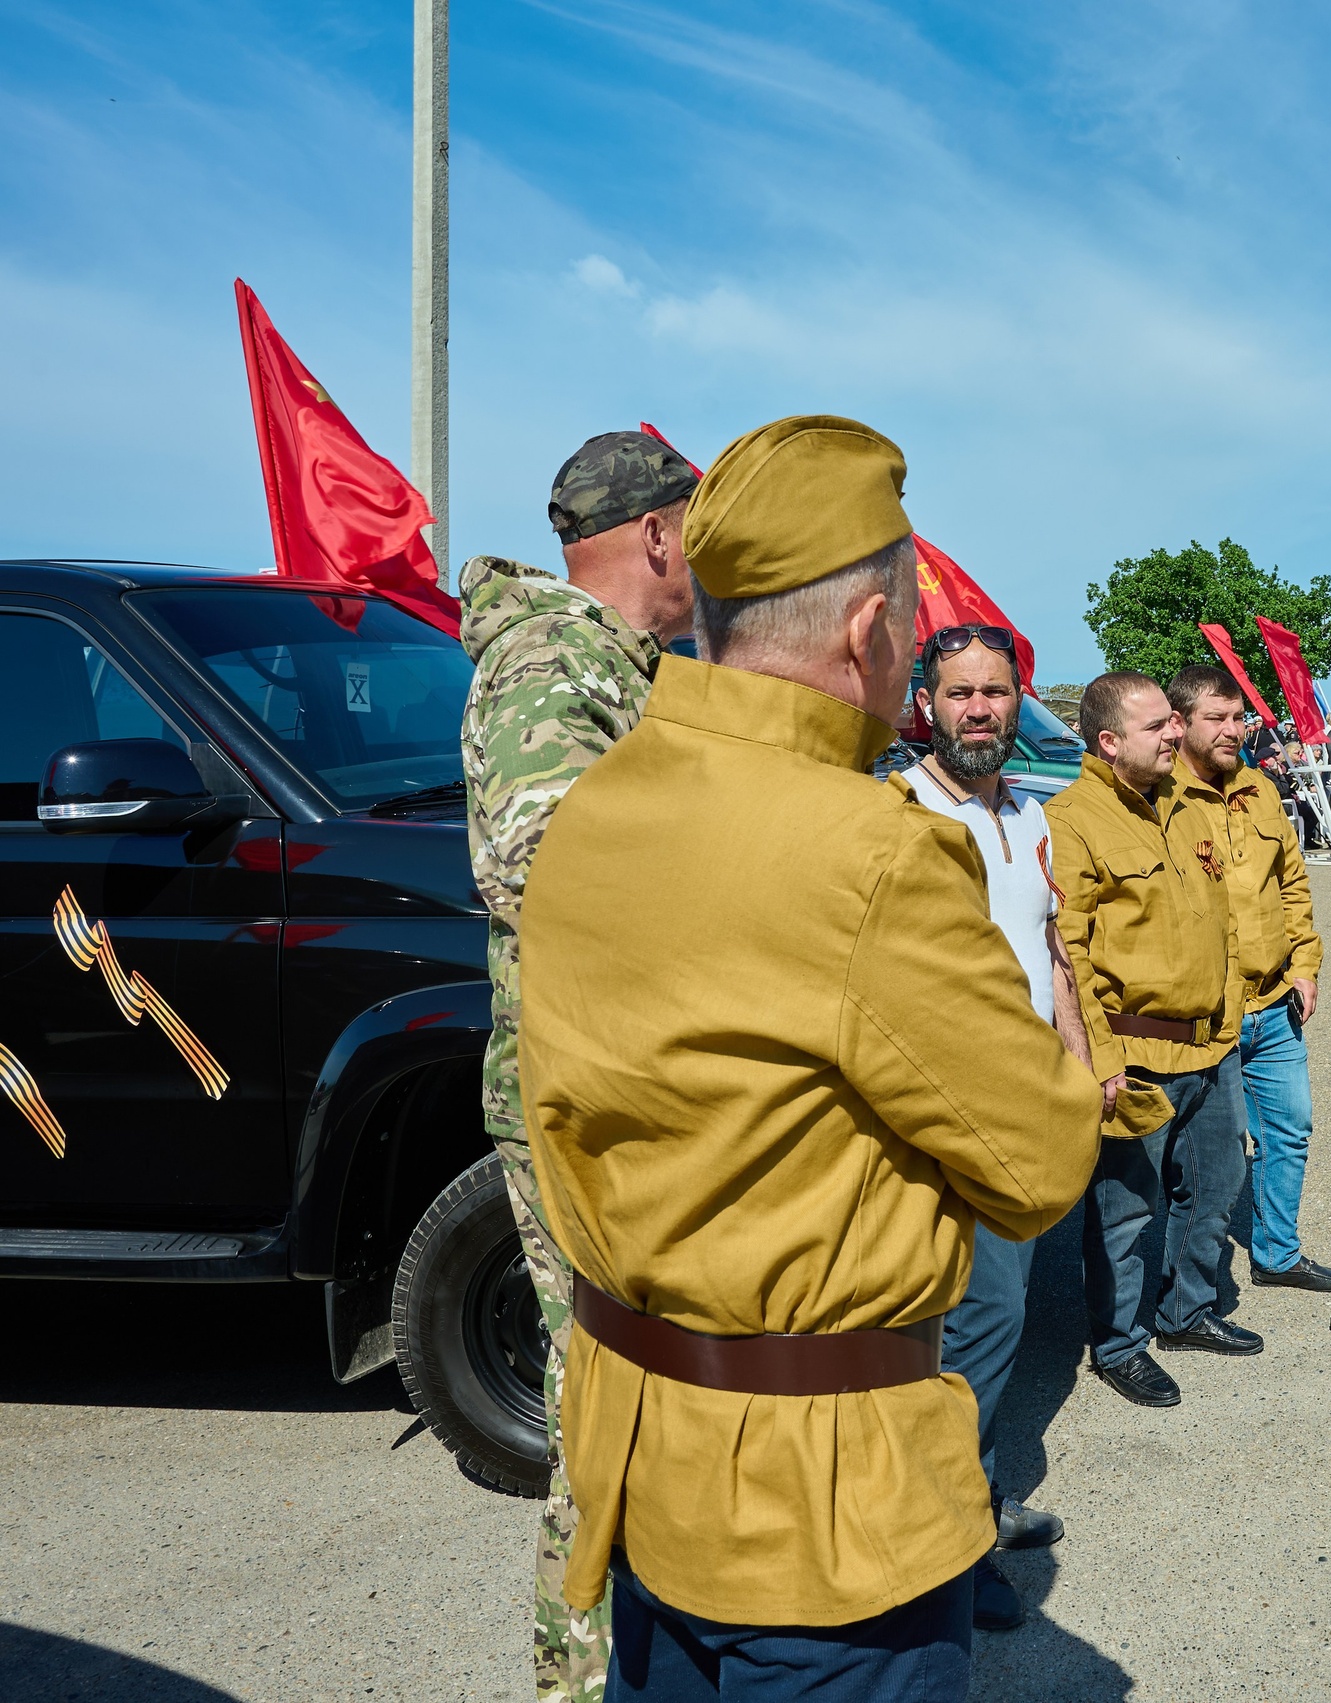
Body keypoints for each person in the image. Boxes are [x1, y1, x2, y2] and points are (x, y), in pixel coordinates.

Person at [518, 414, 1102, 1701]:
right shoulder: (875, 851)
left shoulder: (596, 802)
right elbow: (1041, 1155)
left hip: (640, 1451)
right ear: (869, 630)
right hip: (823, 1507)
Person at [458, 426, 699, 1702]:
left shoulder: (624, 660)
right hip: (580, 1103)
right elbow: (534, 865)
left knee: (633, 1411)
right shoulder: (559, 658)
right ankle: (583, 1682)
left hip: (611, 1091)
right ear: (659, 532)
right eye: (698, 534)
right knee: (603, 1417)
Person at [889, 623, 1092, 1634]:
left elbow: (1050, 950)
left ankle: (972, 1500)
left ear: (1020, 699)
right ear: (925, 702)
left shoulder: (1032, 812)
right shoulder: (900, 811)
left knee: (989, 1325)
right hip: (943, 1114)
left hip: (1021, 1103)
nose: (978, 707)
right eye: (959, 691)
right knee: (968, 1326)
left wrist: (1082, 1064)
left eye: (996, 690)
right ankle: (951, 1545)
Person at [1050, 671, 1255, 1409]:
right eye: (1157, 726)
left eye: (1175, 720)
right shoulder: (1071, 820)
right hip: (1135, 1054)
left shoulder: (1185, 805)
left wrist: (1228, 1020)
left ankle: (1188, 1310)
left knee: (1216, 1188)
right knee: (1126, 1210)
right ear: (1108, 742)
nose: (1176, 733)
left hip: (1211, 1046)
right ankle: (1119, 1344)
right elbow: (1066, 953)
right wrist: (1098, 1059)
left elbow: (1221, 918)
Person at [1160, 665, 1331, 1297]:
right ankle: (1188, 1281)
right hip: (1205, 1013)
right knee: (1200, 1160)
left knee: (1290, 1128)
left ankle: (1277, 1252)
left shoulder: (1261, 790)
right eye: (1215, 718)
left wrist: (1305, 965)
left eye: (1237, 716)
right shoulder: (1158, 798)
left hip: (1274, 1004)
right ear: (1180, 722)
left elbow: (1292, 886)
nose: (1231, 729)